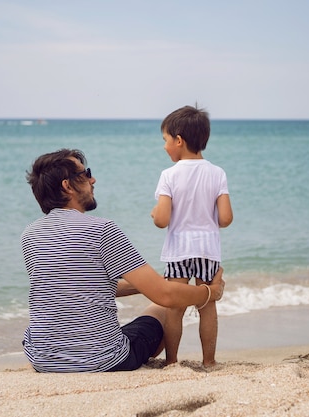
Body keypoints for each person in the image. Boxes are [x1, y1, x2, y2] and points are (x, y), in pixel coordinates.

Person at [21, 148, 225, 373]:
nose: (93, 179)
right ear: (67, 186)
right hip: (101, 360)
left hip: (43, 360)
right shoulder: (101, 230)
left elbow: (79, 286)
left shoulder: (30, 235)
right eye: (86, 174)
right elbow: (165, 295)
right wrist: (210, 293)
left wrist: (143, 286)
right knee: (162, 308)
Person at [151, 105, 233, 368]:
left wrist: (154, 213)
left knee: (175, 308)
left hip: (179, 250)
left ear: (178, 140)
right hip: (208, 249)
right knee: (207, 304)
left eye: (165, 140)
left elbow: (162, 220)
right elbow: (225, 219)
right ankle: (209, 362)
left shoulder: (168, 176)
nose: (164, 147)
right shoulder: (217, 173)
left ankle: (172, 361)